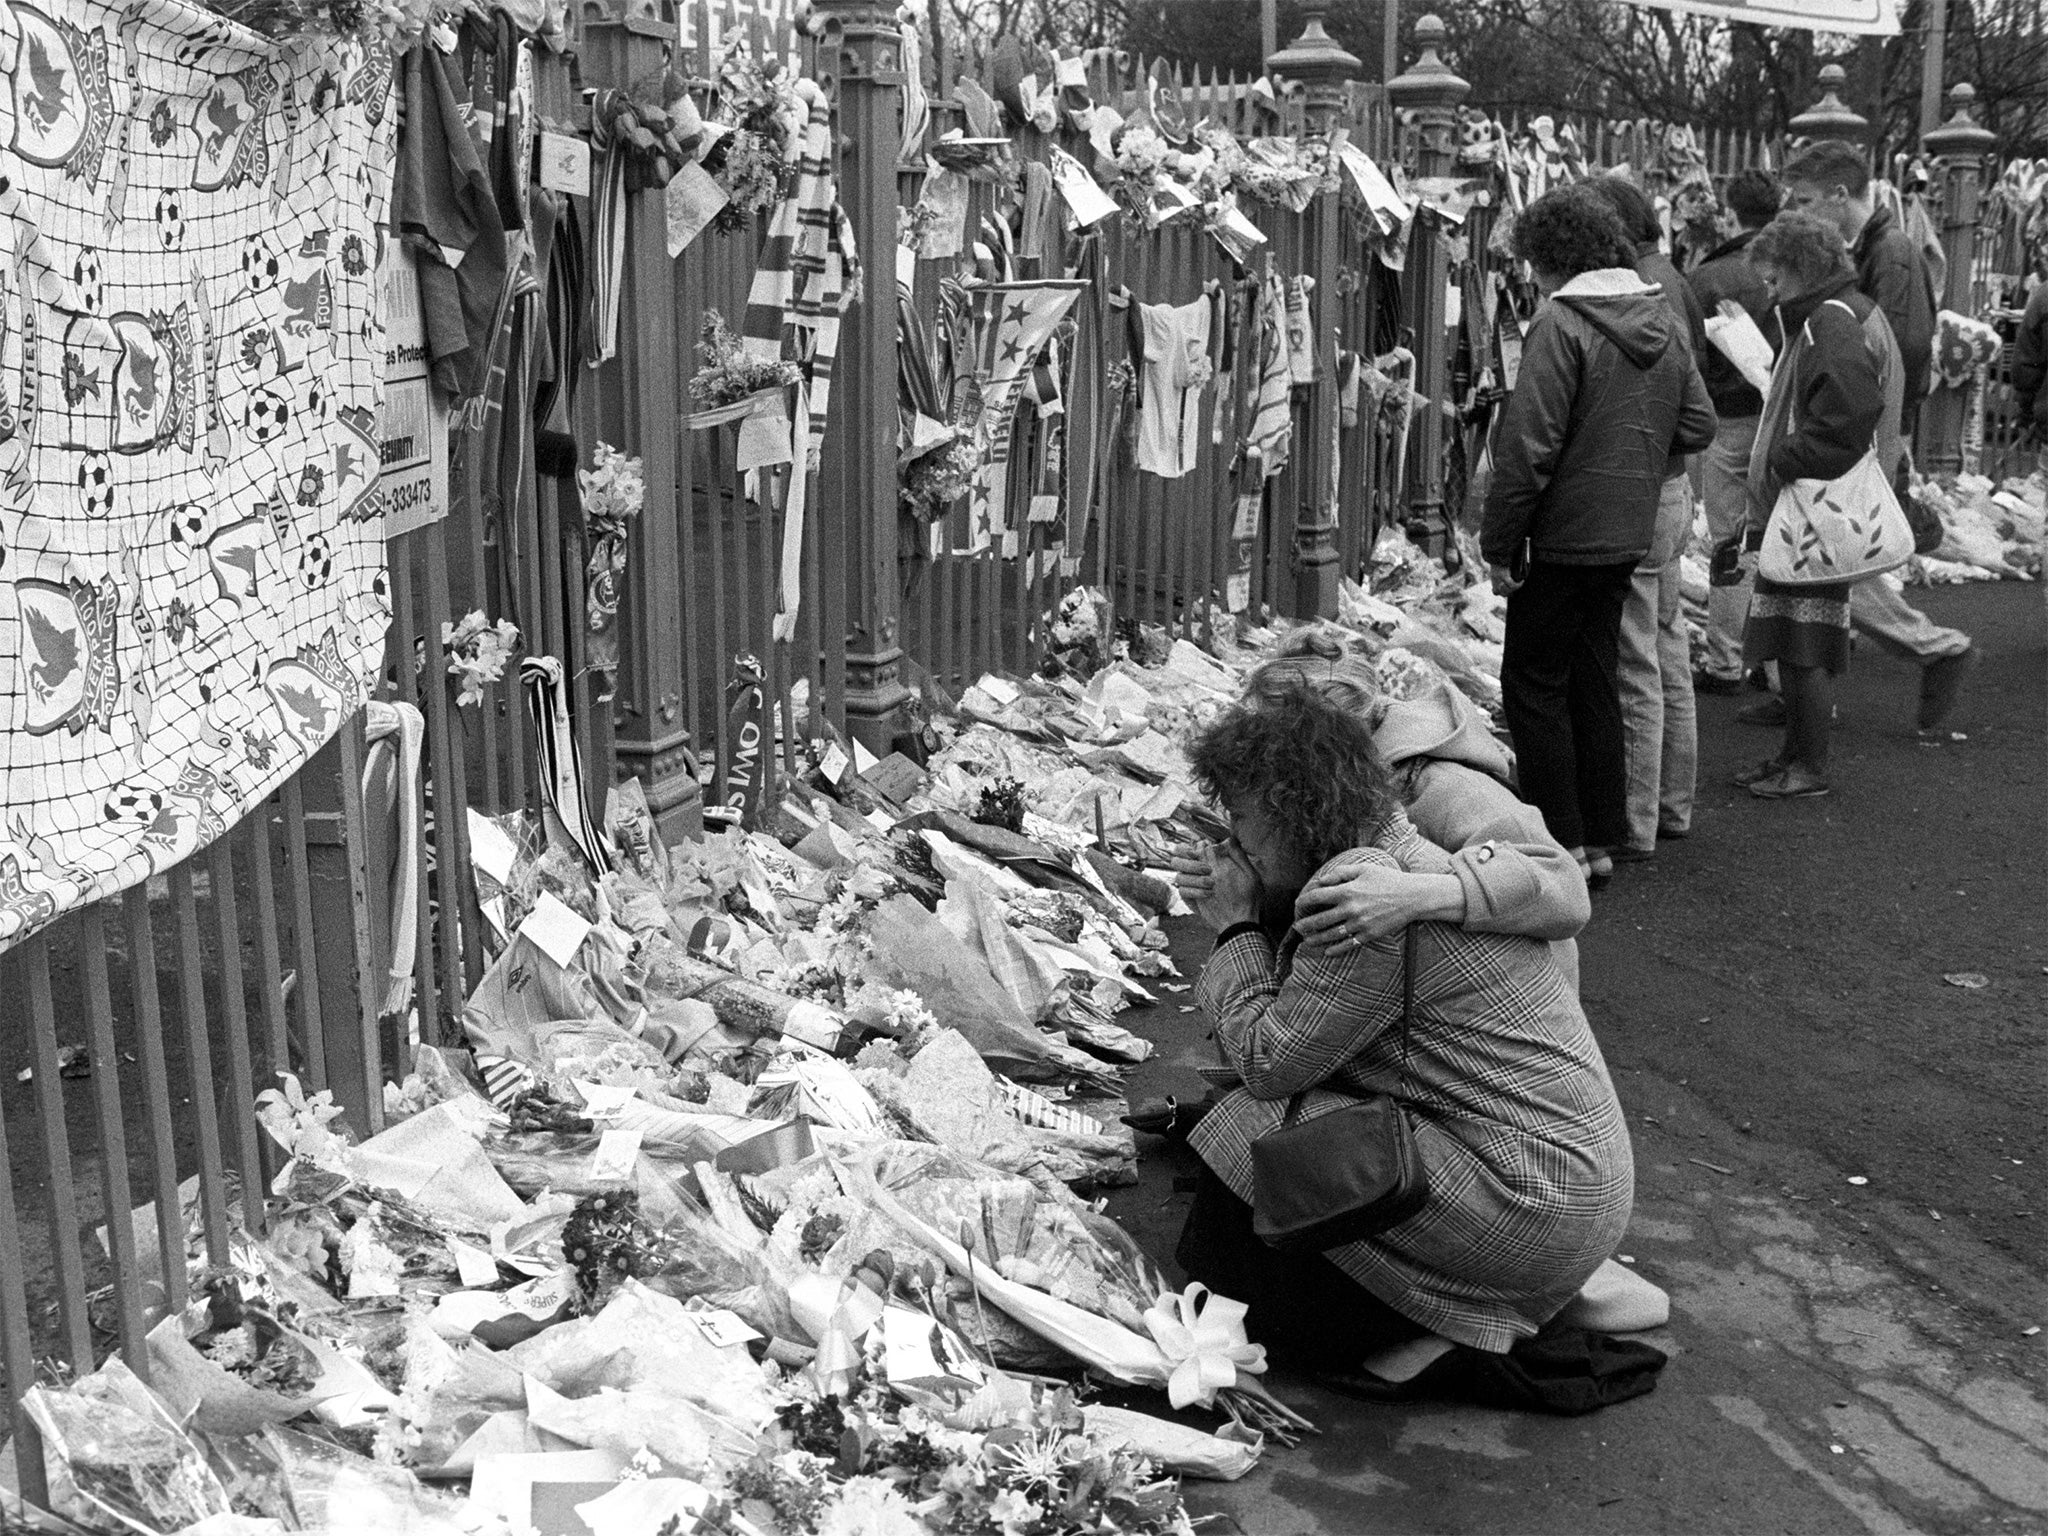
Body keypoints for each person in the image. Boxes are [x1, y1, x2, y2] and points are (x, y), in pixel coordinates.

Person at [1172, 685, 1634, 1372]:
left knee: (1249, 1121)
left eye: (1241, 820)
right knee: (1253, 1148)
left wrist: (1236, 924)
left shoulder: (1363, 897)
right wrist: (1260, 892)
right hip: (1568, 1185)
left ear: (1298, 813)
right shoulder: (1392, 852)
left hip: (1532, 1201)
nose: (1235, 840)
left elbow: (1267, 1061)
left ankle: (1444, 1314)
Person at [1481, 185, 1716, 886]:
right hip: (1628, 532)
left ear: (1550, 258)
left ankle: (1563, 843)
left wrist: (1499, 543)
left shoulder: (1560, 324)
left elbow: (1528, 449)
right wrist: (1635, 454)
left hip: (1562, 534)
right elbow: (1698, 424)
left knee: (1532, 681)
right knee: (1595, 677)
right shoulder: (1661, 316)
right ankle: (1602, 837)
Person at [1201, 631, 1590, 991]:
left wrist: (1415, 894)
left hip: (1506, 1005)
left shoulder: (1439, 782)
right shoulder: (1312, 788)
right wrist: (1246, 879)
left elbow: (1565, 891)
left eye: (1272, 746)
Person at [1777, 140, 1974, 738]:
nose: (1798, 211)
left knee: (1829, 555)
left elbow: (1902, 347)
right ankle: (1804, 687)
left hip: (1865, 430)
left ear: (1841, 195)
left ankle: (1934, 645)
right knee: (1828, 551)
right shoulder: (1877, 247)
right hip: (1865, 426)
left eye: (1807, 200)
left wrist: (1863, 428)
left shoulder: (1891, 250)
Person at [1729, 212, 1905, 799]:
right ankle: (1793, 756)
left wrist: (1783, 457)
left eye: (1774, 280)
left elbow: (1849, 417)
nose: (1768, 292)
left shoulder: (1826, 322)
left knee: (1804, 646)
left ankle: (1808, 767)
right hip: (1806, 505)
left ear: (1801, 271)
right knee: (1792, 639)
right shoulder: (1826, 317)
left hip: (1812, 507)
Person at [1584, 175, 1707, 860]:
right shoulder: (1674, 282)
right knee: (1666, 647)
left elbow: (1690, 415)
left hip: (1640, 486)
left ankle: (1634, 821)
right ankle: (1670, 805)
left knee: (1635, 657)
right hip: (1669, 487)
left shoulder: (1640, 293)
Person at [1686, 168, 1785, 694]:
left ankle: (1726, 657)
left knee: (1730, 539)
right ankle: (1773, 661)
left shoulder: (1711, 277)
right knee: (1776, 536)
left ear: (1730, 212)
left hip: (1728, 419)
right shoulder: (1788, 267)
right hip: (1780, 416)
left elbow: (1690, 359)